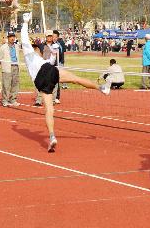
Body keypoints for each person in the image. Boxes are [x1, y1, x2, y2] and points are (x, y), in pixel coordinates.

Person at [19, 13, 109, 152]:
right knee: (76, 79)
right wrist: (25, 21)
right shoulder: (29, 51)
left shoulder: (33, 59)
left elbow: (27, 39)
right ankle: (100, 87)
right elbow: (24, 36)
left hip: (39, 82)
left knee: (49, 110)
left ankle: (52, 136)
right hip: (47, 71)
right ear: (36, 50)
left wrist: (26, 22)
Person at [0, 30, 21, 106]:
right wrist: (3, 64)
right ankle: (5, 100)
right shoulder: (3, 47)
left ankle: (13, 99)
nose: (12, 38)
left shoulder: (17, 46)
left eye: (13, 36)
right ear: (7, 38)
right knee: (6, 85)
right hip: (7, 67)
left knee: (15, 84)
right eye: (10, 37)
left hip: (16, 67)